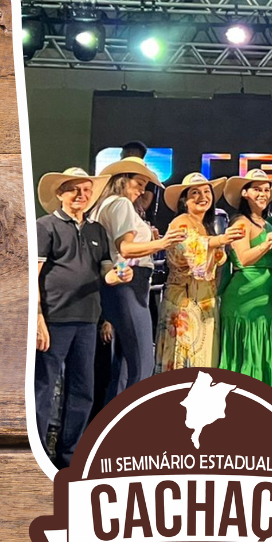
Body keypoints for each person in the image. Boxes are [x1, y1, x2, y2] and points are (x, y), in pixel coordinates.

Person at [35, 166, 132, 467]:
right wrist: (37, 318)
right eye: (74, 189)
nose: (82, 195)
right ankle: (37, 454)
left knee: (82, 390)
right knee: (43, 387)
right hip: (54, 319)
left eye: (87, 190)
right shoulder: (45, 226)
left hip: (88, 320)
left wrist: (120, 274)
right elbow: (31, 276)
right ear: (60, 193)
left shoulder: (97, 230)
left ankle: (70, 457)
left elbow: (107, 272)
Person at [90, 157, 187, 399]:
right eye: (139, 183)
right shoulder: (121, 203)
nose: (143, 191)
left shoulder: (106, 205)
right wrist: (162, 243)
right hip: (129, 285)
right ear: (123, 180)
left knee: (123, 366)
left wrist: (150, 240)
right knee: (143, 363)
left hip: (122, 284)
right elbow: (125, 249)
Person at [156, 173, 243, 371]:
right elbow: (189, 248)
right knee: (183, 359)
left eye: (206, 192)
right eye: (195, 193)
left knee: (205, 358)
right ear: (184, 200)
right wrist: (220, 240)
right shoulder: (181, 222)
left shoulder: (206, 226)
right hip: (184, 302)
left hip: (206, 302)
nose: (203, 197)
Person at [218, 169, 272, 397]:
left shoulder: (269, 223)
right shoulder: (240, 222)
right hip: (244, 297)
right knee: (247, 354)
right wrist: (265, 244)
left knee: (265, 352)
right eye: (257, 189)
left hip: (266, 296)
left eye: (266, 190)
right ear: (245, 193)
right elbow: (242, 259)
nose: (263, 194)